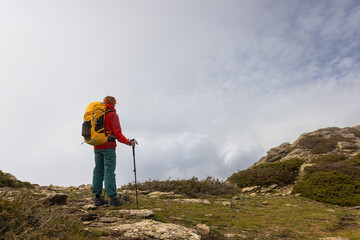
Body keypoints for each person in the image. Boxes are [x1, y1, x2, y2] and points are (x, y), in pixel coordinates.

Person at [92, 96, 136, 207]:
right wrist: (128, 142)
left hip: (97, 146)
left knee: (98, 170)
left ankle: (97, 198)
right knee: (109, 171)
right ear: (113, 104)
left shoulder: (97, 114)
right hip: (108, 147)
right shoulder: (112, 115)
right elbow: (118, 134)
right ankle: (113, 198)